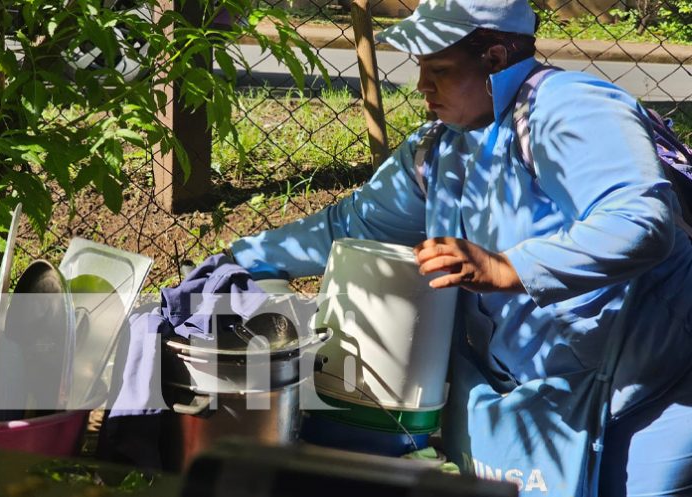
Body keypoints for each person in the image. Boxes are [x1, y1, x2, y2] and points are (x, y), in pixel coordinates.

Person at [228, 0, 692, 494]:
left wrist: (510, 266)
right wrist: (235, 260)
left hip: (649, 388)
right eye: (421, 68)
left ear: (494, 59)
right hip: (535, 388)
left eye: (440, 70)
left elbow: (640, 221)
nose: (422, 86)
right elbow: (355, 224)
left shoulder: (569, 108)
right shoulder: (444, 146)